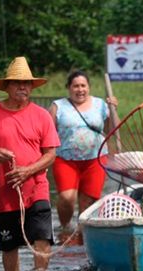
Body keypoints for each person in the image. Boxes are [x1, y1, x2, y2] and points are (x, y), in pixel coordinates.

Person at [0, 56, 60, 271]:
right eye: (18, 82)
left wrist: (28, 170)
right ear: (7, 86)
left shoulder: (42, 116)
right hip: (4, 189)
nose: (23, 87)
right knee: (9, 244)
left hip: (37, 187)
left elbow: (51, 154)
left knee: (42, 236)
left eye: (27, 83)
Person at [48, 70, 119, 232]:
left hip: (95, 159)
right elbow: (47, 133)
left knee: (89, 202)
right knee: (67, 198)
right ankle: (65, 229)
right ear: (68, 88)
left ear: (89, 87)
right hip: (65, 159)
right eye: (75, 86)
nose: (80, 90)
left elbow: (111, 130)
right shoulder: (57, 106)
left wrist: (113, 109)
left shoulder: (101, 104)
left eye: (83, 86)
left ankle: (83, 233)